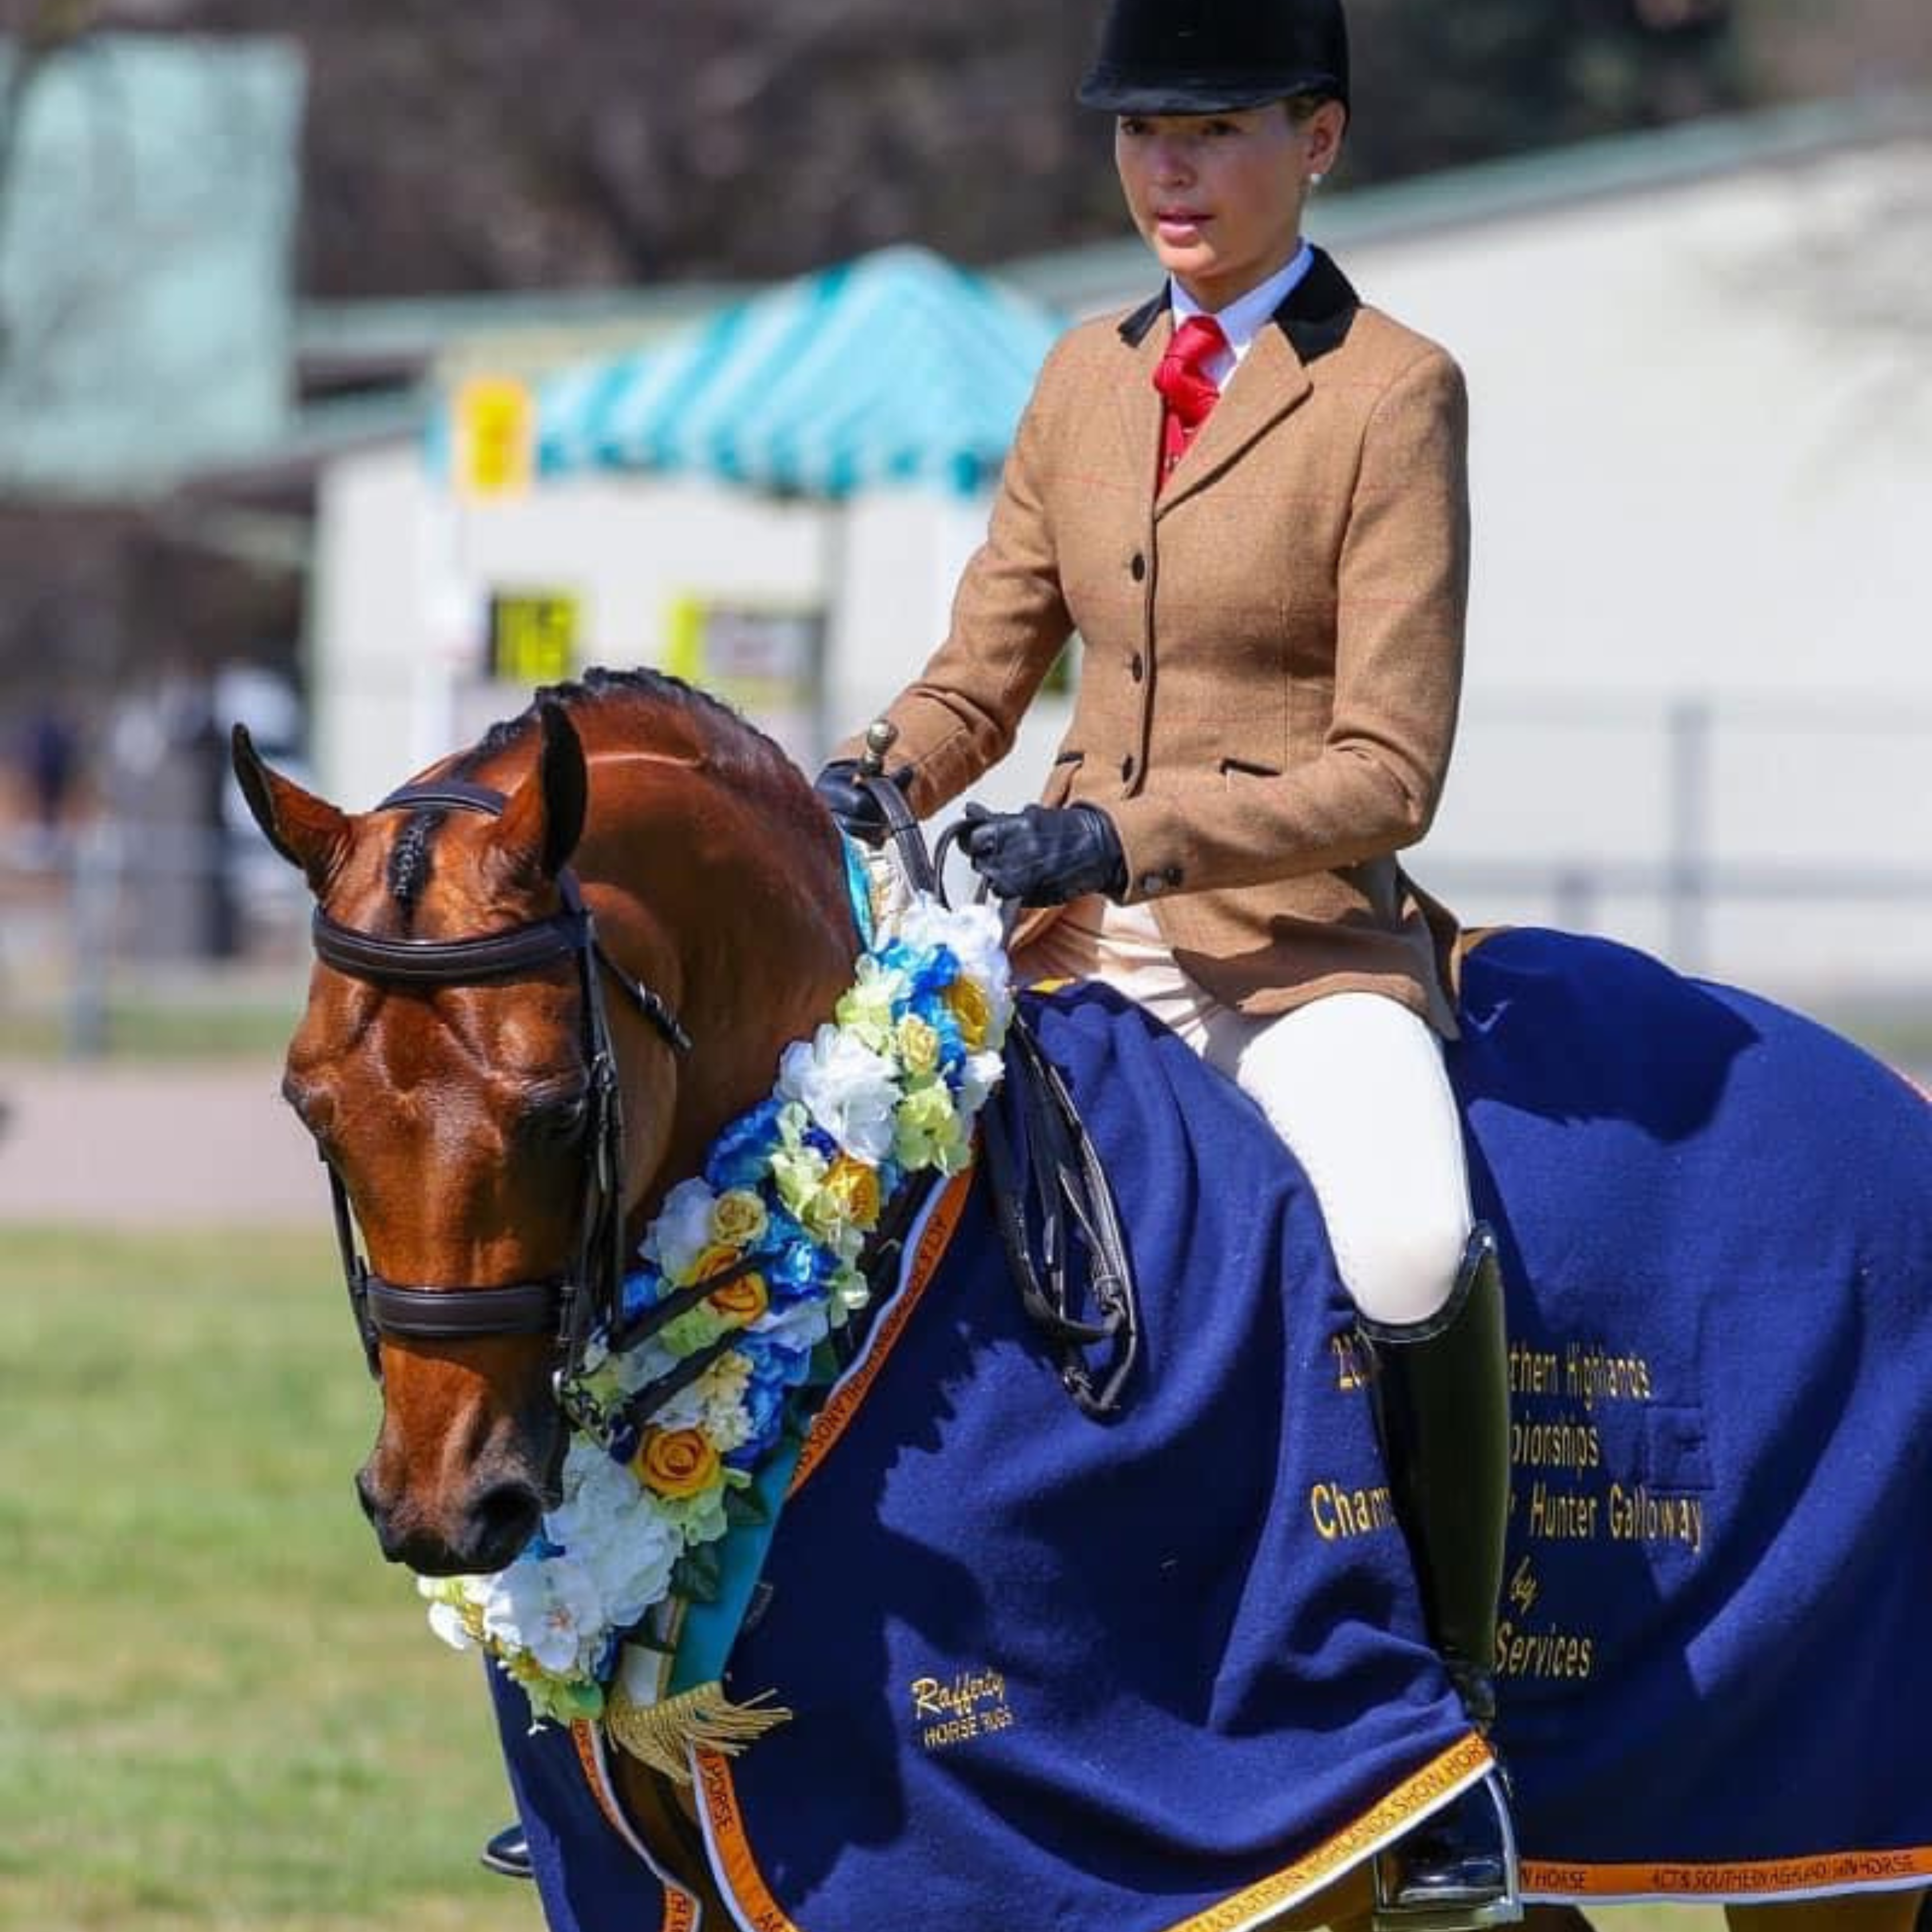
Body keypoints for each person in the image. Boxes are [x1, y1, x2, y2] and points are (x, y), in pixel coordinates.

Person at [816, 0, 1514, 1917]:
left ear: (1320, 138)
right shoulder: (1079, 376)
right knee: (835, 1223)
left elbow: (1390, 767)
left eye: (1210, 131)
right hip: (1062, 944)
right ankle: (801, 1700)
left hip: (1292, 949)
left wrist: (1130, 830)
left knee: (1399, 1242)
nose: (1169, 174)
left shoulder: (1390, 391)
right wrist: (863, 775)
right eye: (1142, 134)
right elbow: (985, 668)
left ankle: (1435, 1750)